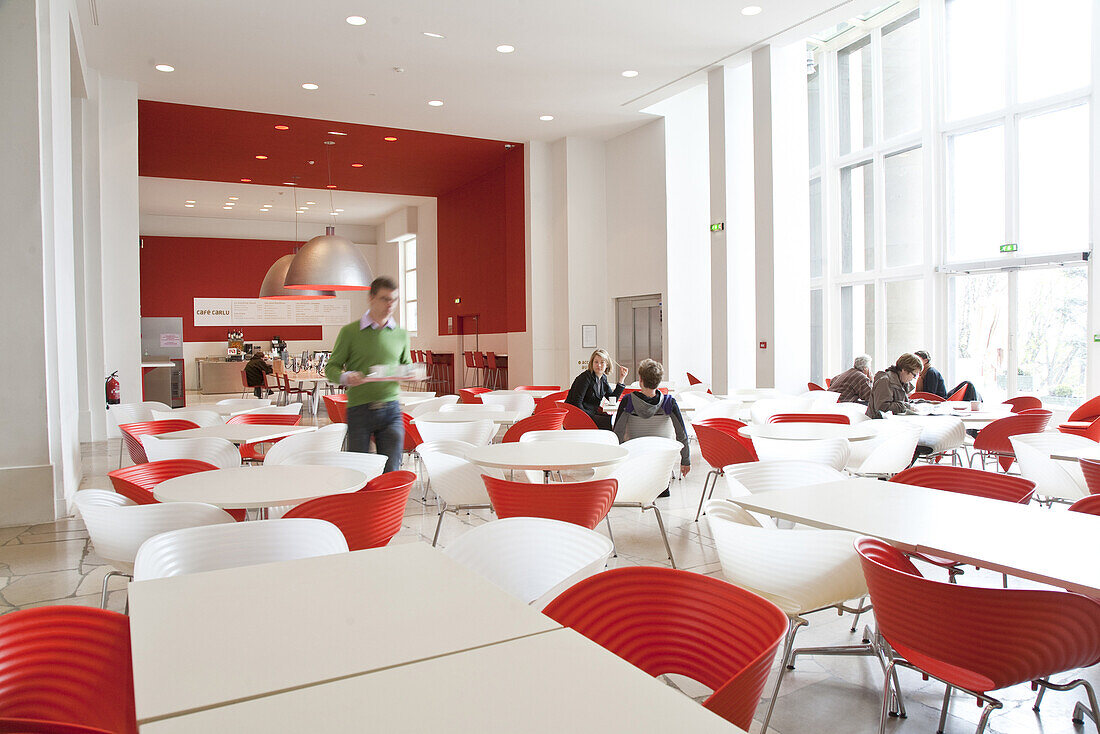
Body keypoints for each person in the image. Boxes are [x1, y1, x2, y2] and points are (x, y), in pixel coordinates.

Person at [324, 276, 411, 473]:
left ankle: (386, 504)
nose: (390, 304)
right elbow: (331, 368)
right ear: (371, 298)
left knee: (392, 468)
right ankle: (360, 502)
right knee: (357, 469)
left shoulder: (401, 335)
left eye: (394, 300)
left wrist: (410, 373)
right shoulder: (350, 332)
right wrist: (347, 377)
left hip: (391, 409)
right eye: (384, 299)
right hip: (359, 409)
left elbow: (406, 365)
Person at [613, 359, 691, 477]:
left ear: (640, 381)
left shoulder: (628, 401)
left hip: (635, 459)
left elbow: (618, 432)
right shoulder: (669, 402)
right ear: (658, 382)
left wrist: (617, 462)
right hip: (661, 460)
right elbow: (681, 434)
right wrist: (686, 460)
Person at [566, 348, 627, 430]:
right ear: (592, 363)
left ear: (607, 365)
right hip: (577, 416)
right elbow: (577, 403)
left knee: (615, 420)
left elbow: (612, 398)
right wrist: (588, 418)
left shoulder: (603, 379)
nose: (599, 365)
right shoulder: (585, 378)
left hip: (590, 414)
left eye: (602, 362)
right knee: (609, 423)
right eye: (596, 362)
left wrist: (621, 379)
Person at [867, 353, 922, 419]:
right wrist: (907, 406)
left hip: (893, 420)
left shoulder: (901, 381)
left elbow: (903, 402)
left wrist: (925, 402)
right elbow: (882, 407)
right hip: (879, 423)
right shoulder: (885, 381)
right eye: (914, 375)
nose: (914, 378)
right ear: (904, 370)